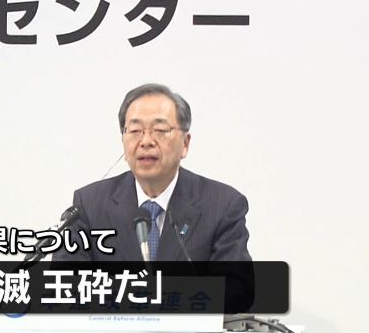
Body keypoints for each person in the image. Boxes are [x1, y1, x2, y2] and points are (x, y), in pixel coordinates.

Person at [55, 83, 251, 262]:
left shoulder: (222, 206)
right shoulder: (89, 206)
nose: (146, 141)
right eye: (135, 130)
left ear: (185, 144)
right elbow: (65, 283)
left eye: (160, 130)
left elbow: (235, 286)